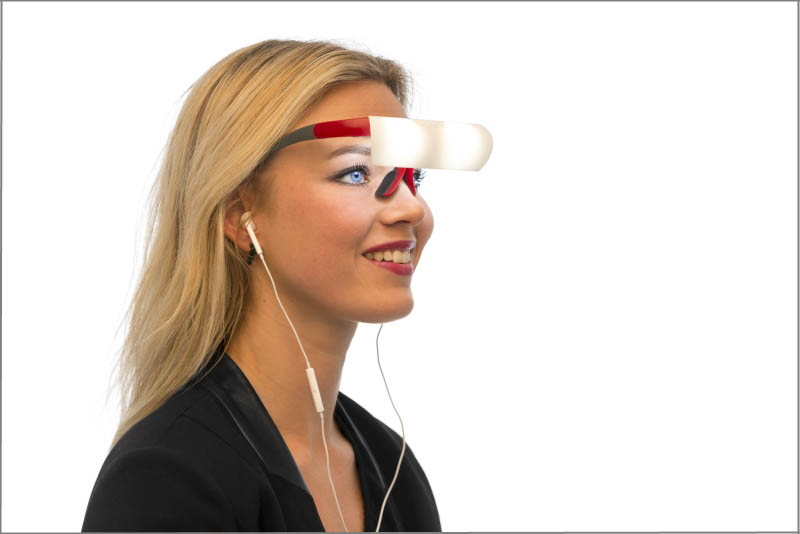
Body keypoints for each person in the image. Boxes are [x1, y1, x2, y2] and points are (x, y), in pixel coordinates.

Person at [81, 39, 439, 532]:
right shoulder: (167, 477)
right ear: (239, 215)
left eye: (413, 175)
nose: (411, 207)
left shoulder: (390, 466)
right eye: (356, 172)